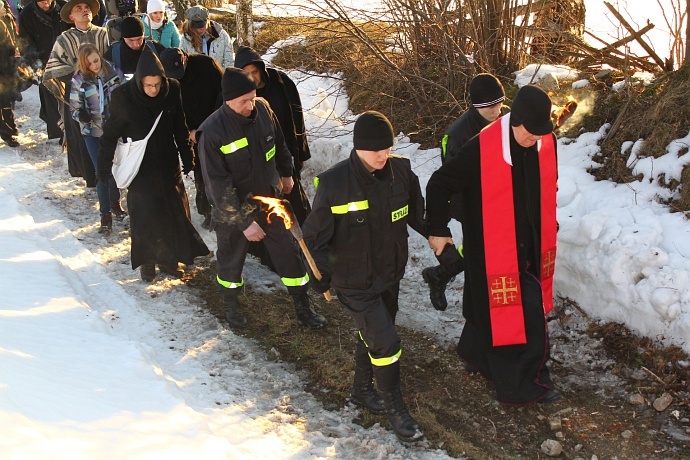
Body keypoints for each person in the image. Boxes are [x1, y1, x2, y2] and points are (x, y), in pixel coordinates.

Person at [425, 85, 561, 406]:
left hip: (530, 243)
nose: (536, 138)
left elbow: (546, 182)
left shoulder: (542, 141)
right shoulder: (480, 149)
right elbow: (439, 184)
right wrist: (438, 229)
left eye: (542, 132)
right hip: (491, 249)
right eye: (531, 131)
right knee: (525, 314)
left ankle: (476, 356)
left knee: (488, 308)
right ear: (516, 120)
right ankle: (527, 382)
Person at [302, 111, 426, 443]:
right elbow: (313, 239)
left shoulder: (401, 172)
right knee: (386, 340)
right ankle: (396, 410)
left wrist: (441, 239)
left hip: (389, 274)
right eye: (375, 150)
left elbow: (418, 215)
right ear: (358, 148)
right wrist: (321, 272)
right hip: (353, 280)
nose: (383, 155)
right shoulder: (334, 183)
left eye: (387, 147)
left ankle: (360, 389)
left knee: (374, 332)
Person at [197, 67, 326, 330]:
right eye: (243, 101)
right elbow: (217, 186)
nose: (249, 105)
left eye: (252, 98)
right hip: (234, 209)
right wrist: (244, 223)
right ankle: (231, 304)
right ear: (228, 100)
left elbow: (279, 142)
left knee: (289, 253)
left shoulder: (264, 110)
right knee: (231, 260)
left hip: (270, 201)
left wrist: (287, 173)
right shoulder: (212, 132)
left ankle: (303, 306)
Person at [97, 48, 210, 281]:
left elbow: (180, 124)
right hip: (139, 165)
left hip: (167, 162)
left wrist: (187, 157)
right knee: (145, 214)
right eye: (148, 85)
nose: (153, 90)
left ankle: (169, 260)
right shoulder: (123, 97)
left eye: (157, 84)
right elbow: (109, 136)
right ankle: (147, 260)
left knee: (172, 211)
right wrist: (102, 168)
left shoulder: (172, 90)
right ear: (139, 82)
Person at [422, 73, 510, 311]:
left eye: (500, 104)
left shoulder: (503, 120)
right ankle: (445, 278)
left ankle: (439, 274)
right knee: (481, 251)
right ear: (477, 106)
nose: (497, 110)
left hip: (498, 199)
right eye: (491, 107)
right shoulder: (457, 135)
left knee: (486, 249)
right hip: (470, 201)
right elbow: (449, 181)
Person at [234, 45, 312, 224]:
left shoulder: (280, 83)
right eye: (246, 73)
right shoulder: (235, 93)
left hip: (284, 154)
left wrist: (300, 151)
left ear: (261, 69)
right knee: (266, 207)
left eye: (255, 71)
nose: (252, 77)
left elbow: (296, 116)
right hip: (256, 162)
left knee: (294, 200)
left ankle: (306, 239)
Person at [43, 0, 109, 186]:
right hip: (78, 96)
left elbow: (113, 61)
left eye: (87, 8)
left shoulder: (104, 34)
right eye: (78, 9)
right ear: (71, 17)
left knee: (109, 134)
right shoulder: (64, 39)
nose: (84, 11)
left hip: (105, 94)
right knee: (83, 136)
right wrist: (80, 76)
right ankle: (93, 178)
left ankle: (113, 177)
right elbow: (53, 69)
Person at [160, 46, 221, 229]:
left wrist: (210, 126)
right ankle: (208, 211)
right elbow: (173, 111)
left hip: (215, 124)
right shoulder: (166, 81)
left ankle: (223, 209)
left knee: (220, 170)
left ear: (185, 59)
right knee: (201, 172)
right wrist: (189, 132)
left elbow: (223, 93)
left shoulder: (207, 65)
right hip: (193, 133)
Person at [70, 43, 125, 233]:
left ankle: (115, 200)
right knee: (101, 171)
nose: (94, 65)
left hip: (113, 130)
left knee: (115, 169)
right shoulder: (79, 80)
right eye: (89, 63)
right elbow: (73, 108)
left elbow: (125, 94)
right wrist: (81, 115)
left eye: (96, 60)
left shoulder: (113, 72)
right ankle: (105, 214)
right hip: (92, 133)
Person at [17, 0, 67, 140]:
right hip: (43, 61)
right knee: (51, 98)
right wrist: (37, 65)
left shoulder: (63, 6)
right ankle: (57, 135)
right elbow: (26, 43)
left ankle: (71, 132)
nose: (46, 2)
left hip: (65, 59)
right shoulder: (27, 13)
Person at [0, 4, 18, 146]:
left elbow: (11, 47)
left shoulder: (5, 21)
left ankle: (8, 132)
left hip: (4, 69)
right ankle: (7, 132)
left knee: (5, 101)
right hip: (3, 69)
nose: (5, 9)